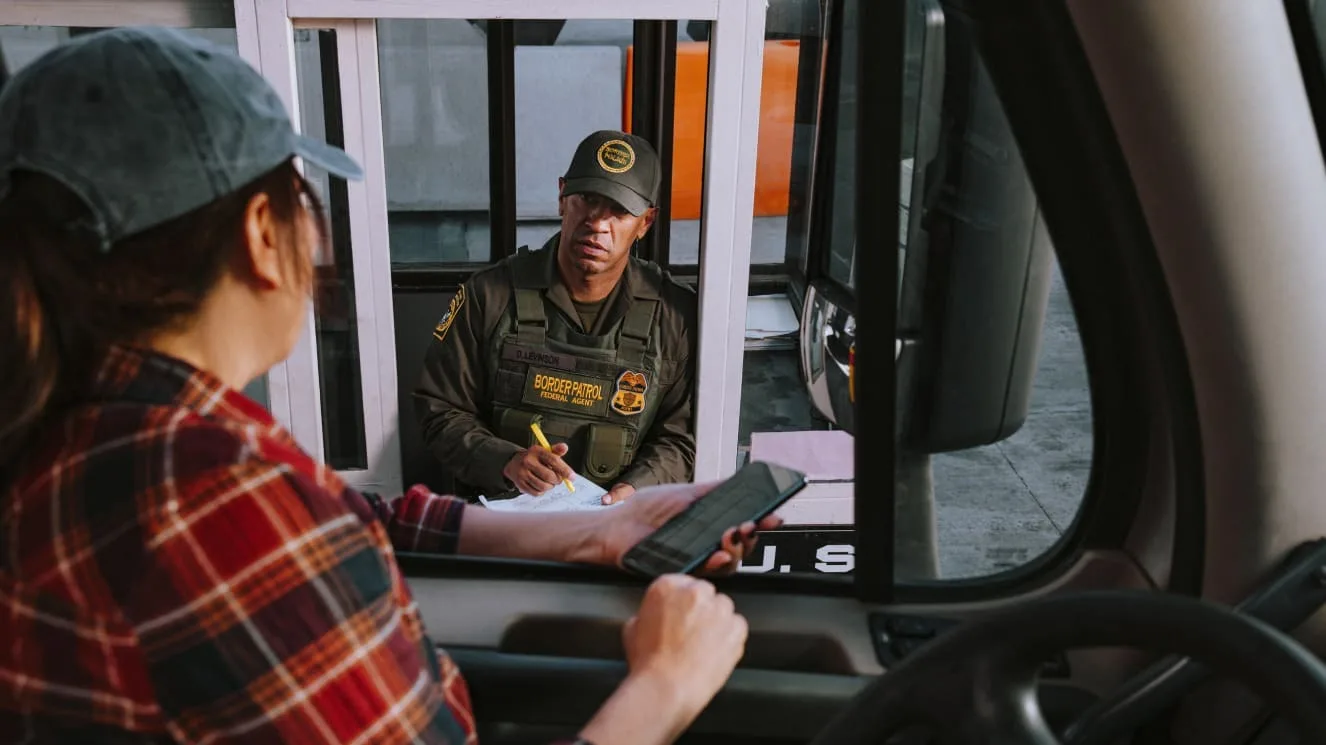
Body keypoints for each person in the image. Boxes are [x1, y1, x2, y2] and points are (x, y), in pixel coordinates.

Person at [0, 27, 778, 744]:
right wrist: (667, 683)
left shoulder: (97, 433)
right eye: (306, 199)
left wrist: (601, 525)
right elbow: (311, 512)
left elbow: (351, 515)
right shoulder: (206, 501)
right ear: (263, 237)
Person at [414, 130, 696, 506]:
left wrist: (635, 491)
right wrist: (506, 461)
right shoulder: (491, 295)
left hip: (614, 526)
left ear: (645, 222)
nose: (597, 223)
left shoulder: (674, 316)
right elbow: (440, 409)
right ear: (563, 197)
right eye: (587, 200)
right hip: (506, 523)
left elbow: (681, 437)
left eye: (619, 211)